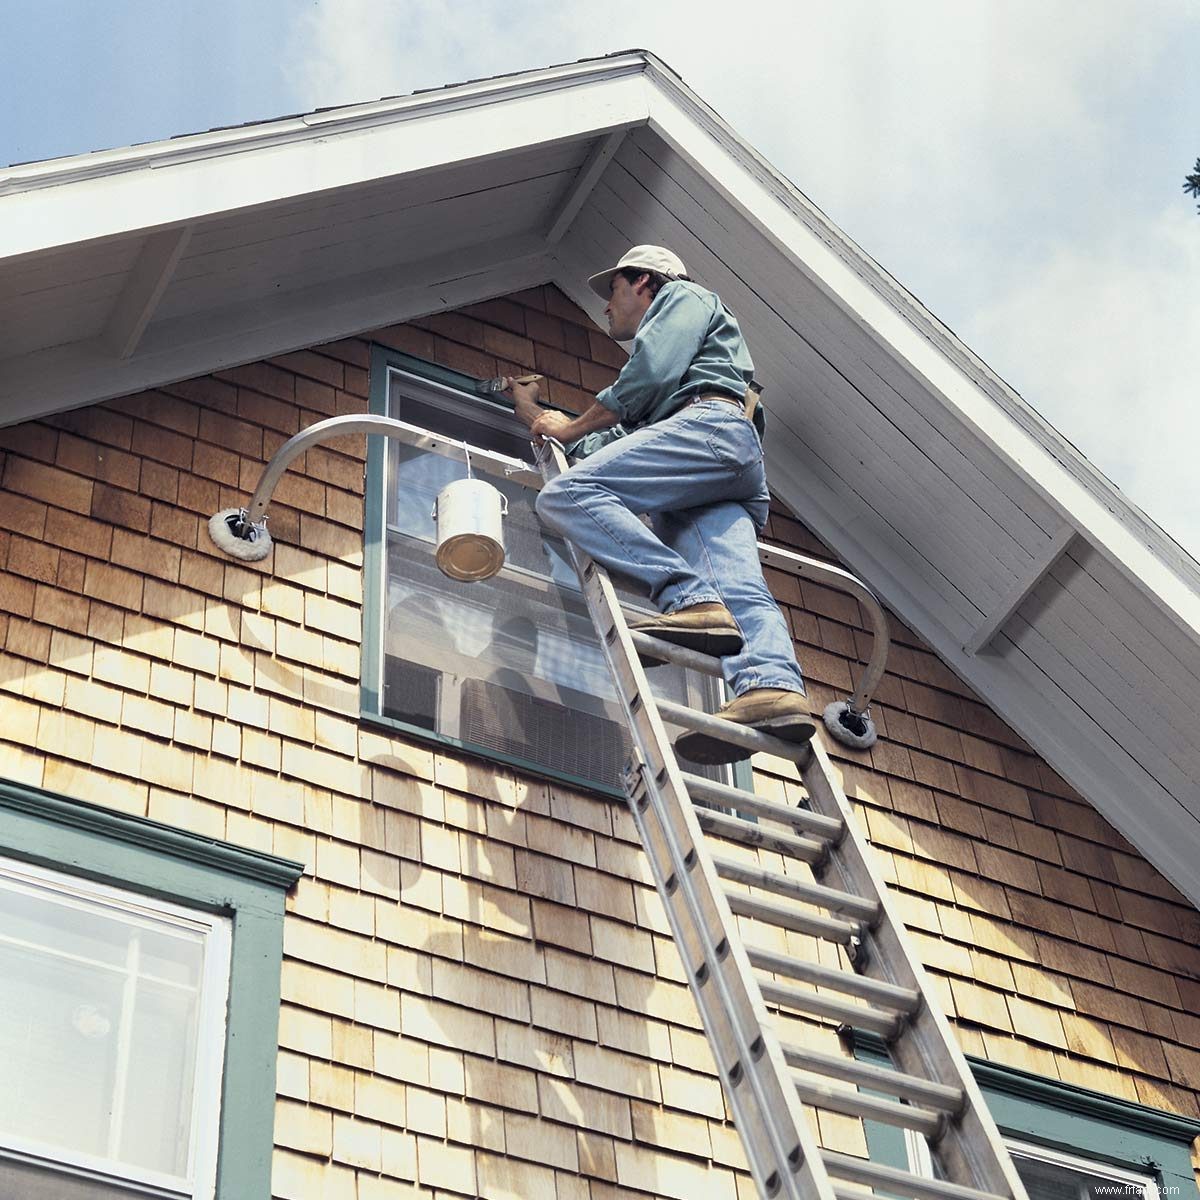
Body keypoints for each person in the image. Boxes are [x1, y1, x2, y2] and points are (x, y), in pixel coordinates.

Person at [506, 245, 812, 765]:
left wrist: (576, 424)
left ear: (645, 281)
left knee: (566, 495)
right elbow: (604, 444)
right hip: (711, 464)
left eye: (614, 290)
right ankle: (771, 689)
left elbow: (648, 371)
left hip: (710, 430)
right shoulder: (669, 394)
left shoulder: (685, 297)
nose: (606, 306)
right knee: (737, 587)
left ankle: (688, 600)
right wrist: (534, 411)